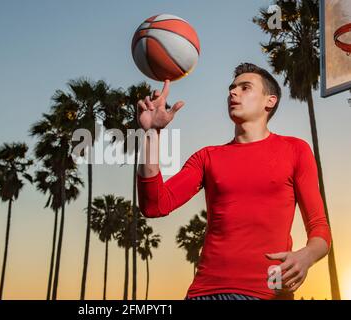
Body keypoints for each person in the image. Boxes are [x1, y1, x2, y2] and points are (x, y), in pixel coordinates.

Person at [136, 63, 331, 300]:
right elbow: (154, 205)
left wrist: (306, 256)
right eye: (232, 88)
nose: (233, 92)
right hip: (205, 292)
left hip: (267, 293)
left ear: (269, 101)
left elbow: (319, 227)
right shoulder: (207, 157)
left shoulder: (295, 150)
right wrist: (151, 134)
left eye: (245, 87)